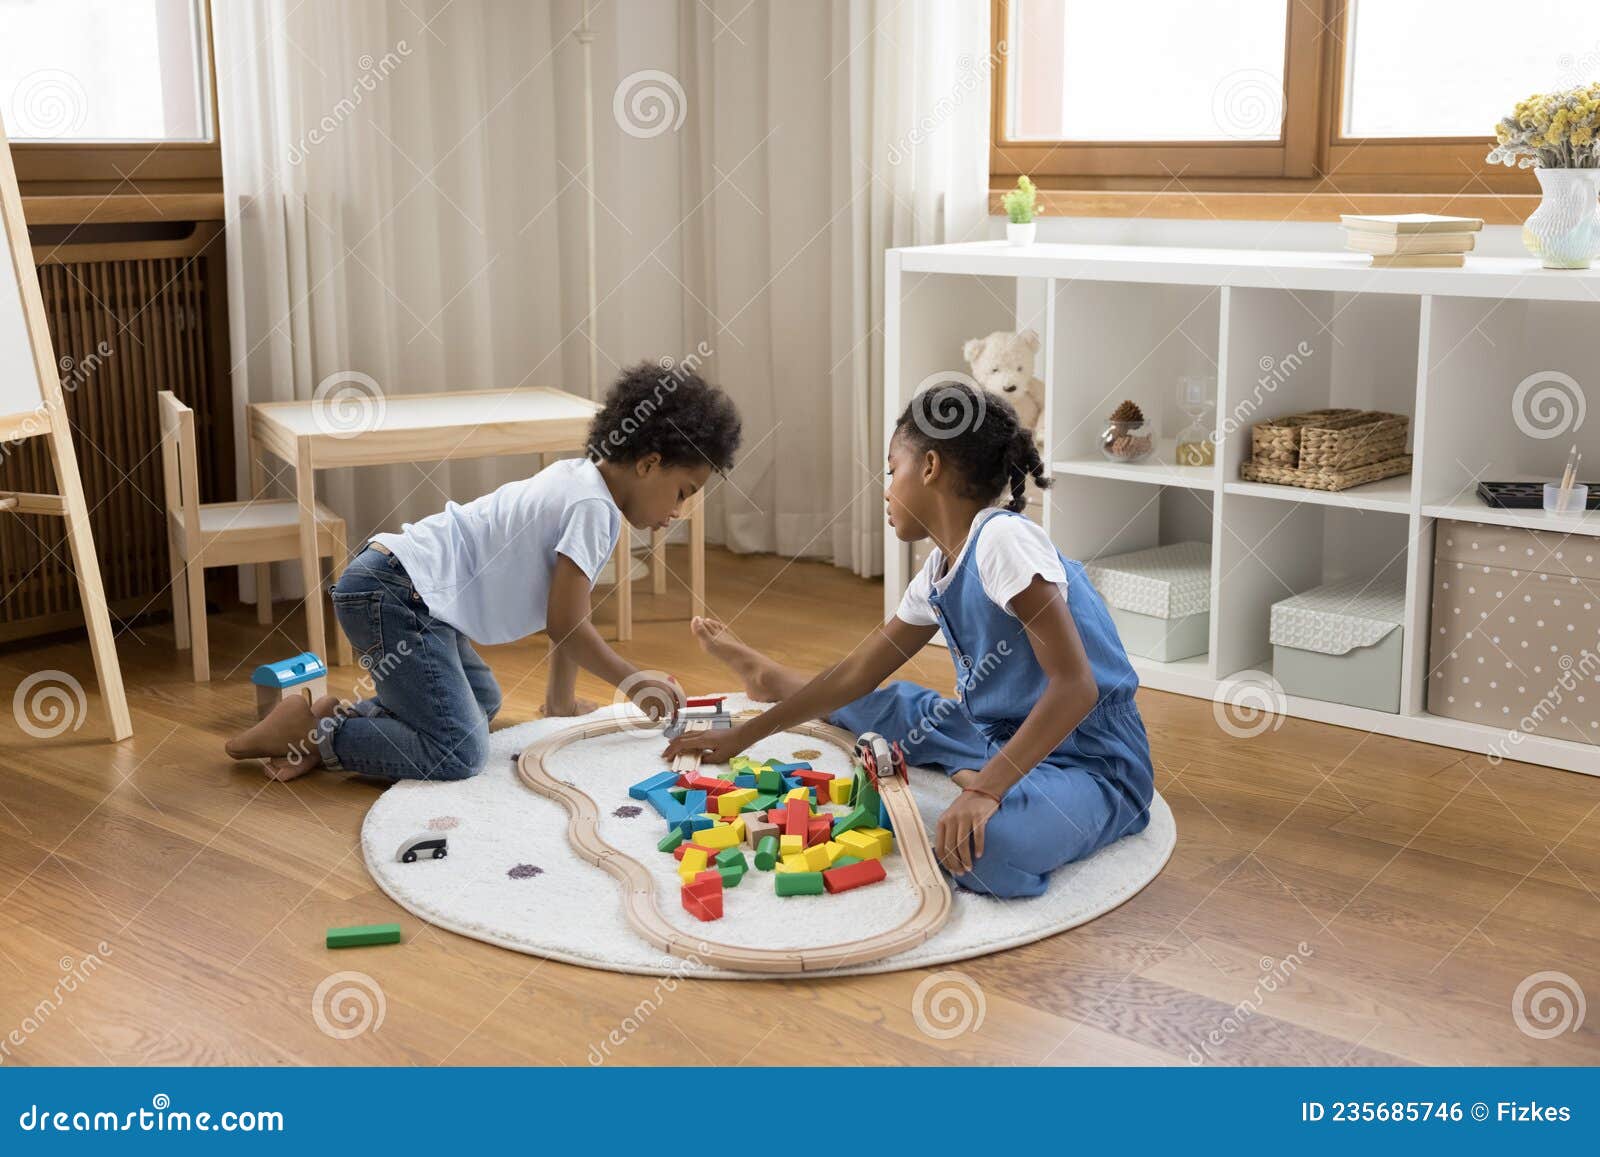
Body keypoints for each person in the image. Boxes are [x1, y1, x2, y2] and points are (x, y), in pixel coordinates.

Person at [665, 380, 1152, 898]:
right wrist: (744, 736)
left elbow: (1076, 688)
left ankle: (1017, 786)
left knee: (976, 850)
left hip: (1091, 760)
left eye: (891, 469)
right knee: (891, 707)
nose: (885, 487)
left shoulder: (1005, 540)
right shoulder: (941, 567)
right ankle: (776, 680)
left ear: (930, 467)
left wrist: (986, 789)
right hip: (1005, 733)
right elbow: (857, 673)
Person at [227, 362, 740, 781]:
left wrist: (558, 703)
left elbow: (566, 617)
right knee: (456, 752)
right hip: (397, 594)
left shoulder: (582, 484)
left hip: (403, 587)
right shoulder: (594, 509)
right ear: (649, 464)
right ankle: (315, 738)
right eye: (682, 493)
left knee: (482, 703)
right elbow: (567, 627)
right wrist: (633, 681)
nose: (678, 512)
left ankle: (325, 718)